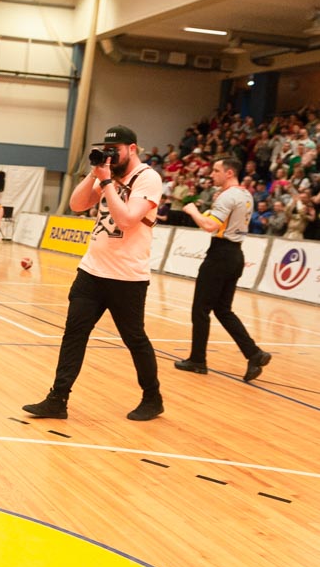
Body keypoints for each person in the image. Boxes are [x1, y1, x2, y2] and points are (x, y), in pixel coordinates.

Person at [22, 125, 165, 421]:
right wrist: (94, 173)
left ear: (132, 149)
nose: (111, 155)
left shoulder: (147, 178)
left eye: (116, 150)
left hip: (127, 277)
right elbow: (76, 205)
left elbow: (127, 220)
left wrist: (107, 181)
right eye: (106, 150)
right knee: (74, 334)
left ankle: (153, 398)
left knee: (134, 338)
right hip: (92, 271)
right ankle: (58, 398)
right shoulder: (106, 175)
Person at [175, 156, 272, 382]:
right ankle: (254, 354)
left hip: (220, 255)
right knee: (223, 310)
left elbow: (210, 225)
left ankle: (198, 360)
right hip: (236, 254)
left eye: (216, 170)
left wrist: (192, 211)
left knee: (200, 309)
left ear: (229, 173)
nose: (212, 174)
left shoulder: (227, 196)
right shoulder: (246, 194)